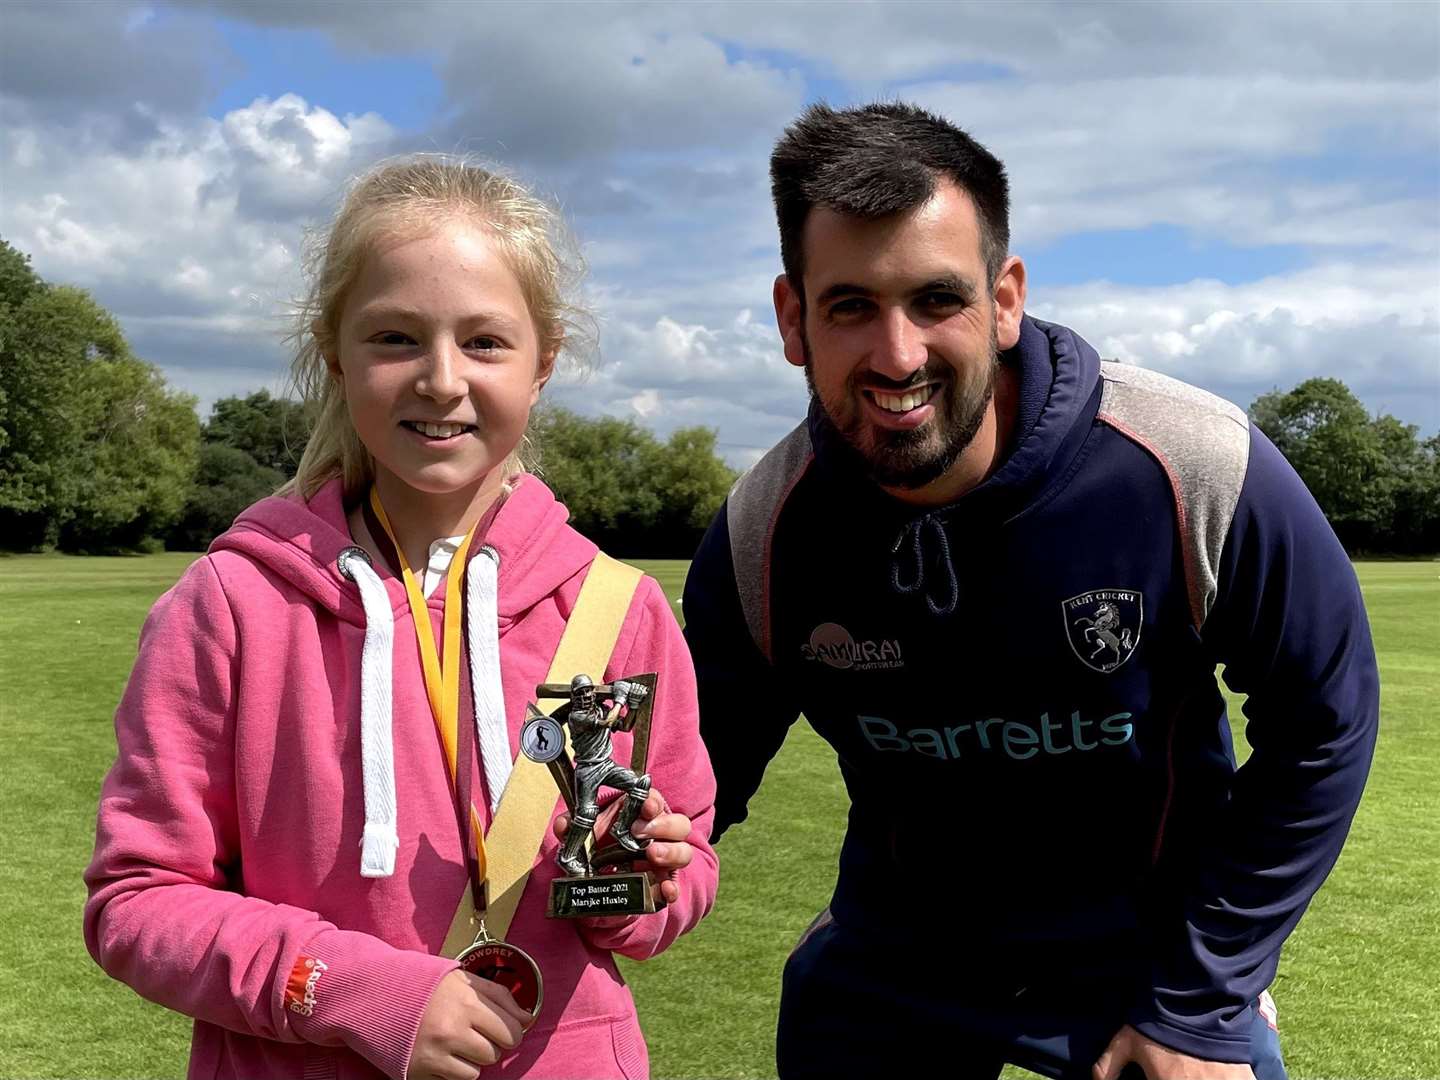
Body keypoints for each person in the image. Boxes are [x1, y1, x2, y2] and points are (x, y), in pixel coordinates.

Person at [682, 102, 1378, 1080]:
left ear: (1004, 298)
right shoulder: (767, 527)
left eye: (936, 300)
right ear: (793, 319)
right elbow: (690, 776)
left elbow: (1326, 718)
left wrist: (1204, 994)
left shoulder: (1190, 461)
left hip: (1152, 967)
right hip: (895, 965)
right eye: (850, 306)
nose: (898, 354)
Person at [85, 156, 718, 1080]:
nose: (441, 380)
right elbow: (136, 901)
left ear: (544, 361)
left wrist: (638, 885)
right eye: (395, 338)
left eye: (486, 343)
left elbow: (687, 863)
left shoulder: (619, 606)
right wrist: (353, 990)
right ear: (335, 353)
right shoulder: (230, 606)